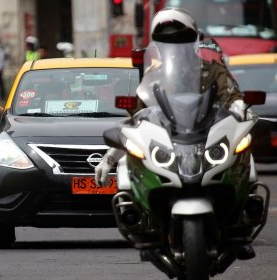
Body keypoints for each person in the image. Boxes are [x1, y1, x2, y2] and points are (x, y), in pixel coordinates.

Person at [95, 7, 255, 260]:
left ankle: (240, 224)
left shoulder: (212, 70)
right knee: (136, 169)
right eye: (168, 43)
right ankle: (146, 227)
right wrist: (110, 157)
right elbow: (133, 120)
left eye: (181, 42)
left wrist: (238, 107)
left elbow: (232, 95)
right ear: (158, 47)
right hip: (171, 141)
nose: (175, 48)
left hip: (205, 137)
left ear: (194, 42)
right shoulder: (153, 77)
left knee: (242, 154)